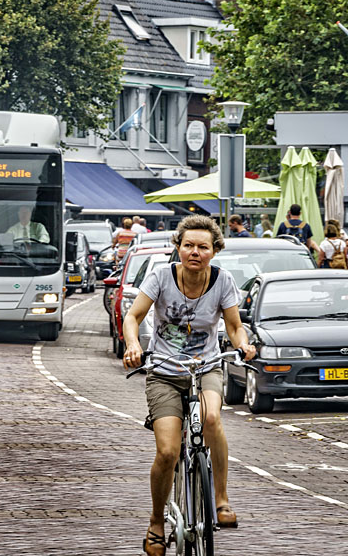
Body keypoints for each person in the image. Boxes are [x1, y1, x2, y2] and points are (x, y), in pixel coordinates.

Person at [121, 215, 256, 556]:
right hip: (165, 371)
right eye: (189, 245)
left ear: (214, 251)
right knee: (167, 451)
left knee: (212, 419)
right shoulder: (160, 277)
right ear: (178, 247)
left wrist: (243, 343)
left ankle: (221, 499)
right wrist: (134, 345)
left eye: (203, 247)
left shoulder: (223, 281)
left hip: (206, 366)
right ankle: (155, 522)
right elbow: (133, 316)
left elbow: (234, 324)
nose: (195, 252)